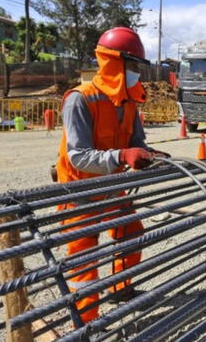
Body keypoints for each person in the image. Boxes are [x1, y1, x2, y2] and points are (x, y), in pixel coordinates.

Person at [56, 27, 167, 324]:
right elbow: (77, 155)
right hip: (80, 192)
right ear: (112, 63)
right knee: (84, 260)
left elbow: (135, 141)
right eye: (131, 66)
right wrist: (122, 156)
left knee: (131, 232)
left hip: (111, 186)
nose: (135, 74)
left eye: (137, 68)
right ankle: (86, 323)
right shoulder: (81, 99)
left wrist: (148, 154)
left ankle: (120, 288)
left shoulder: (129, 100)